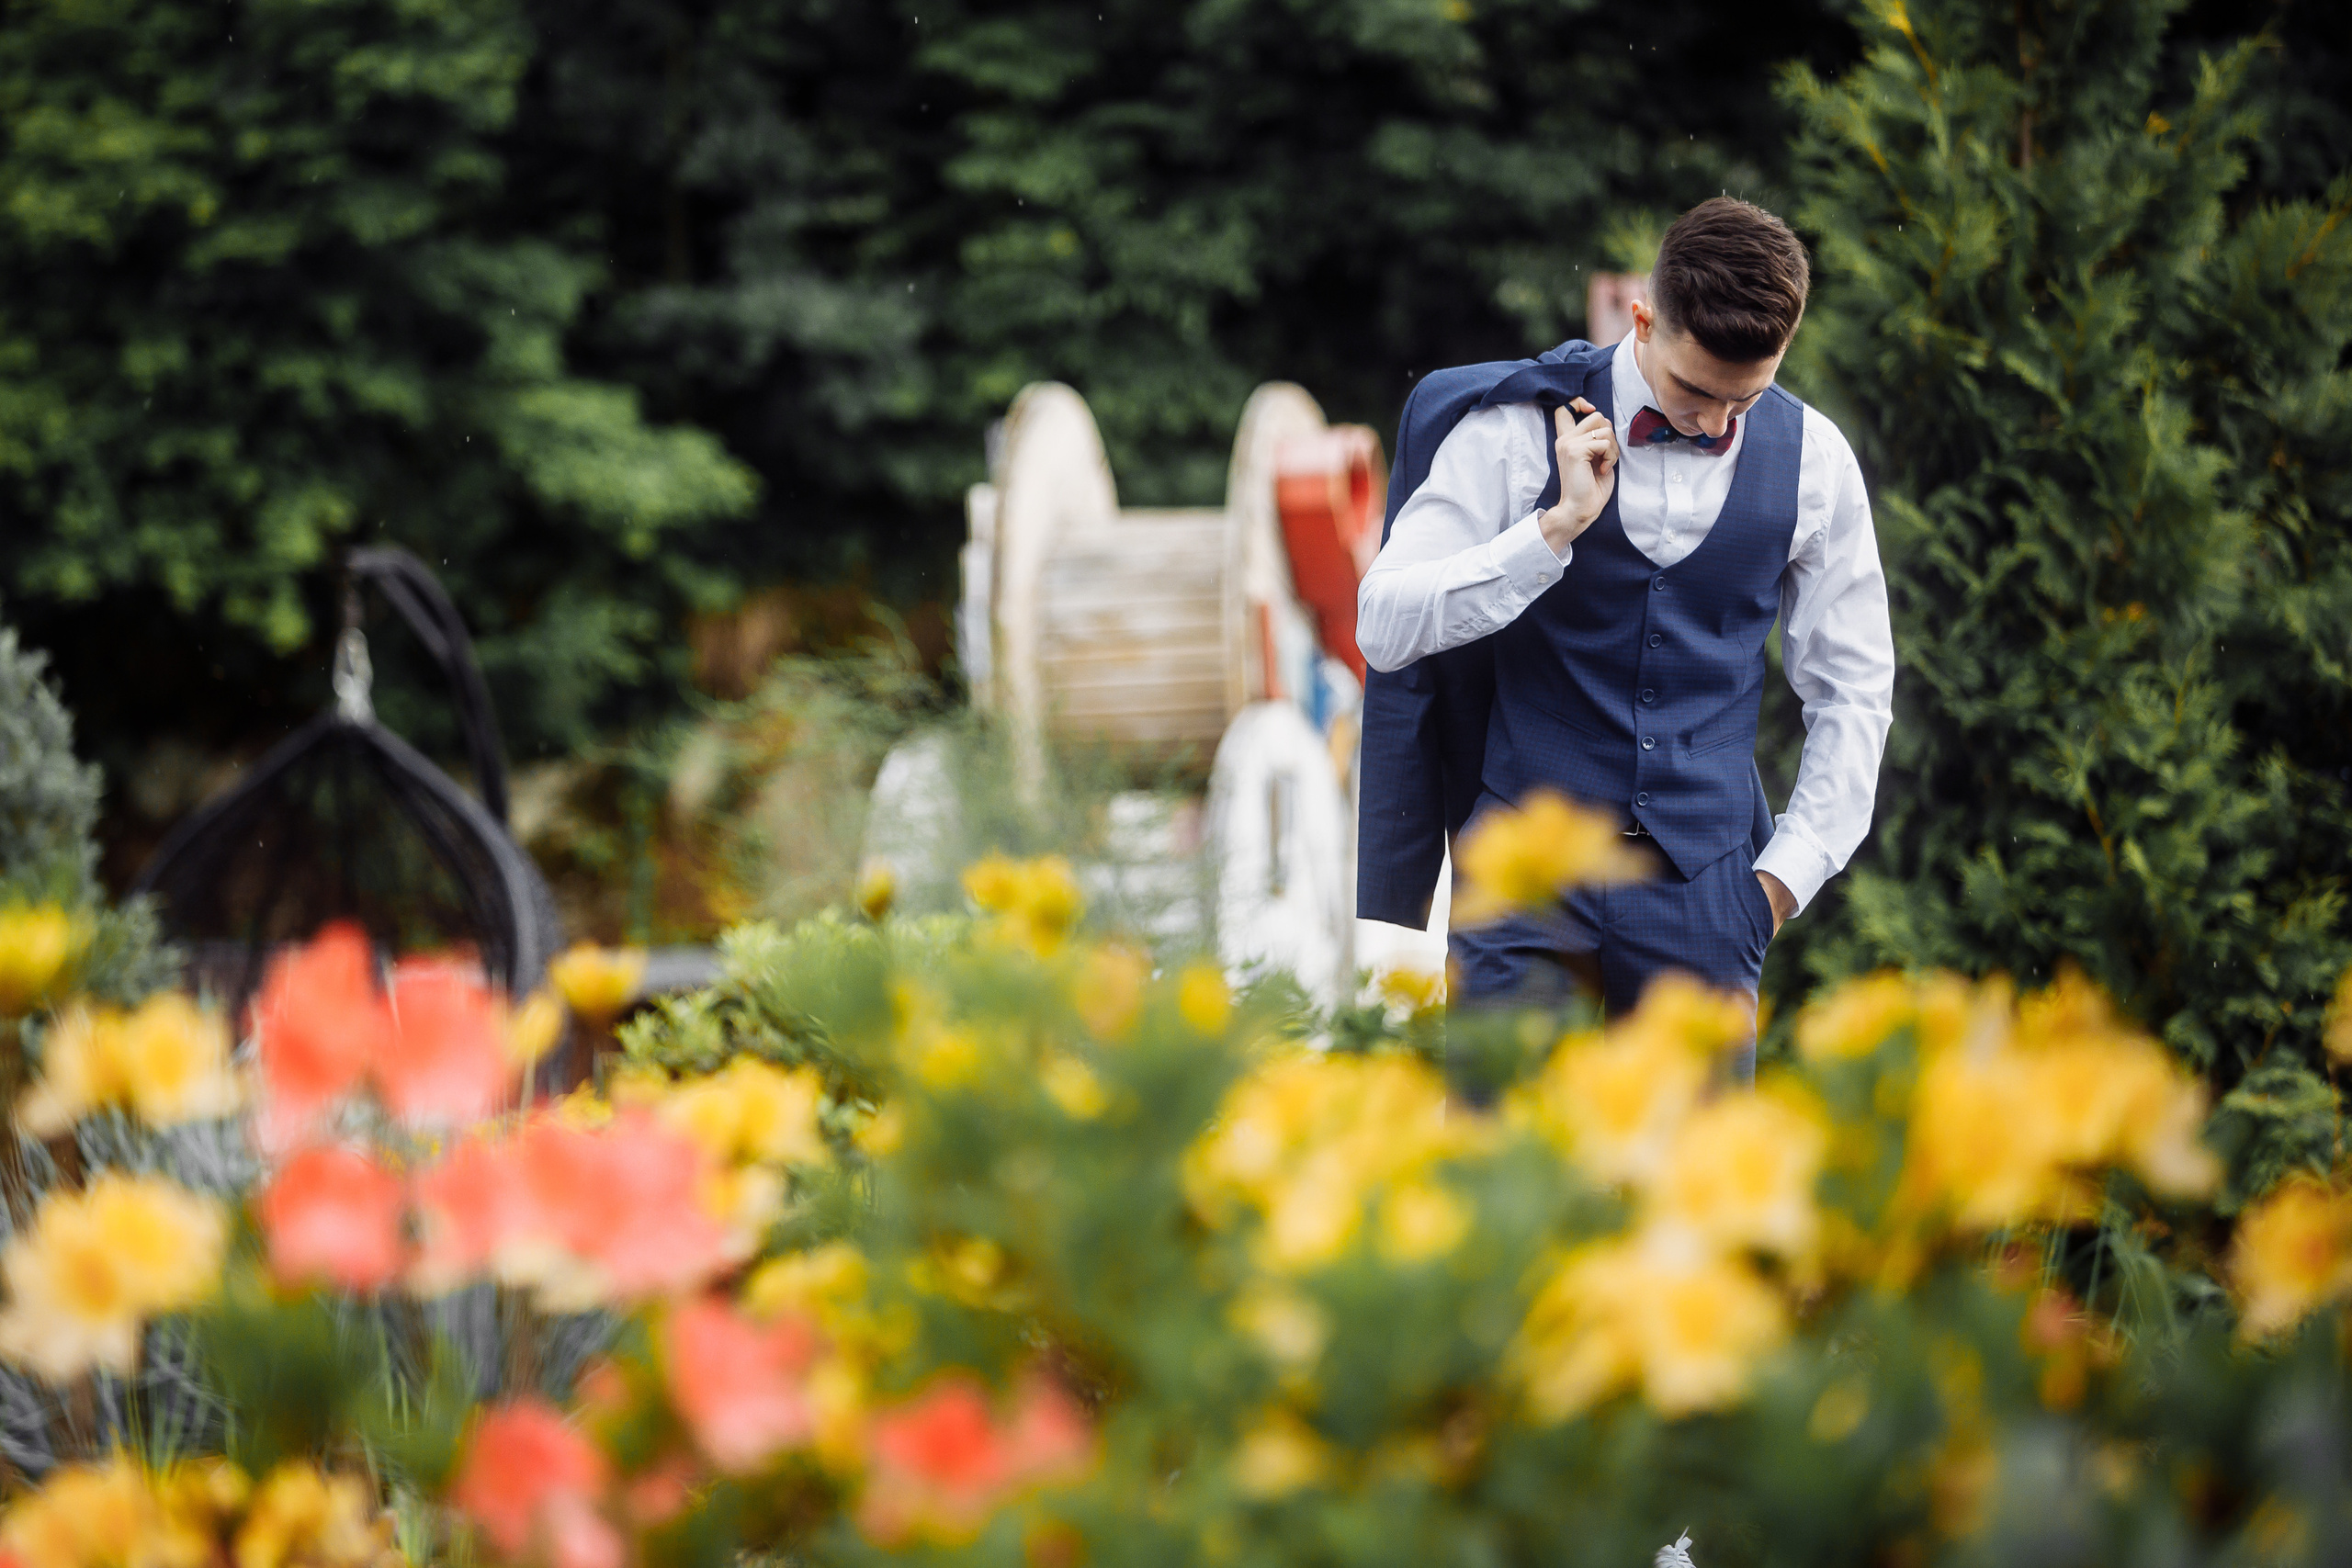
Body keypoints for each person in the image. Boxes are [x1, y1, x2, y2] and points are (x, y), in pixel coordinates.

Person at [1354, 197, 1894, 1066]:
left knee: (1697, 1162)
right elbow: (1382, 624)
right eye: (1695, 391)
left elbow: (1855, 690)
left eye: (1746, 399)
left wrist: (1777, 884)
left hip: (1710, 898)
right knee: (1505, 1151)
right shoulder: (1518, 428)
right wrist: (1550, 532)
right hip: (1523, 882)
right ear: (1642, 320)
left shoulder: (1816, 461)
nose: (1716, 425)